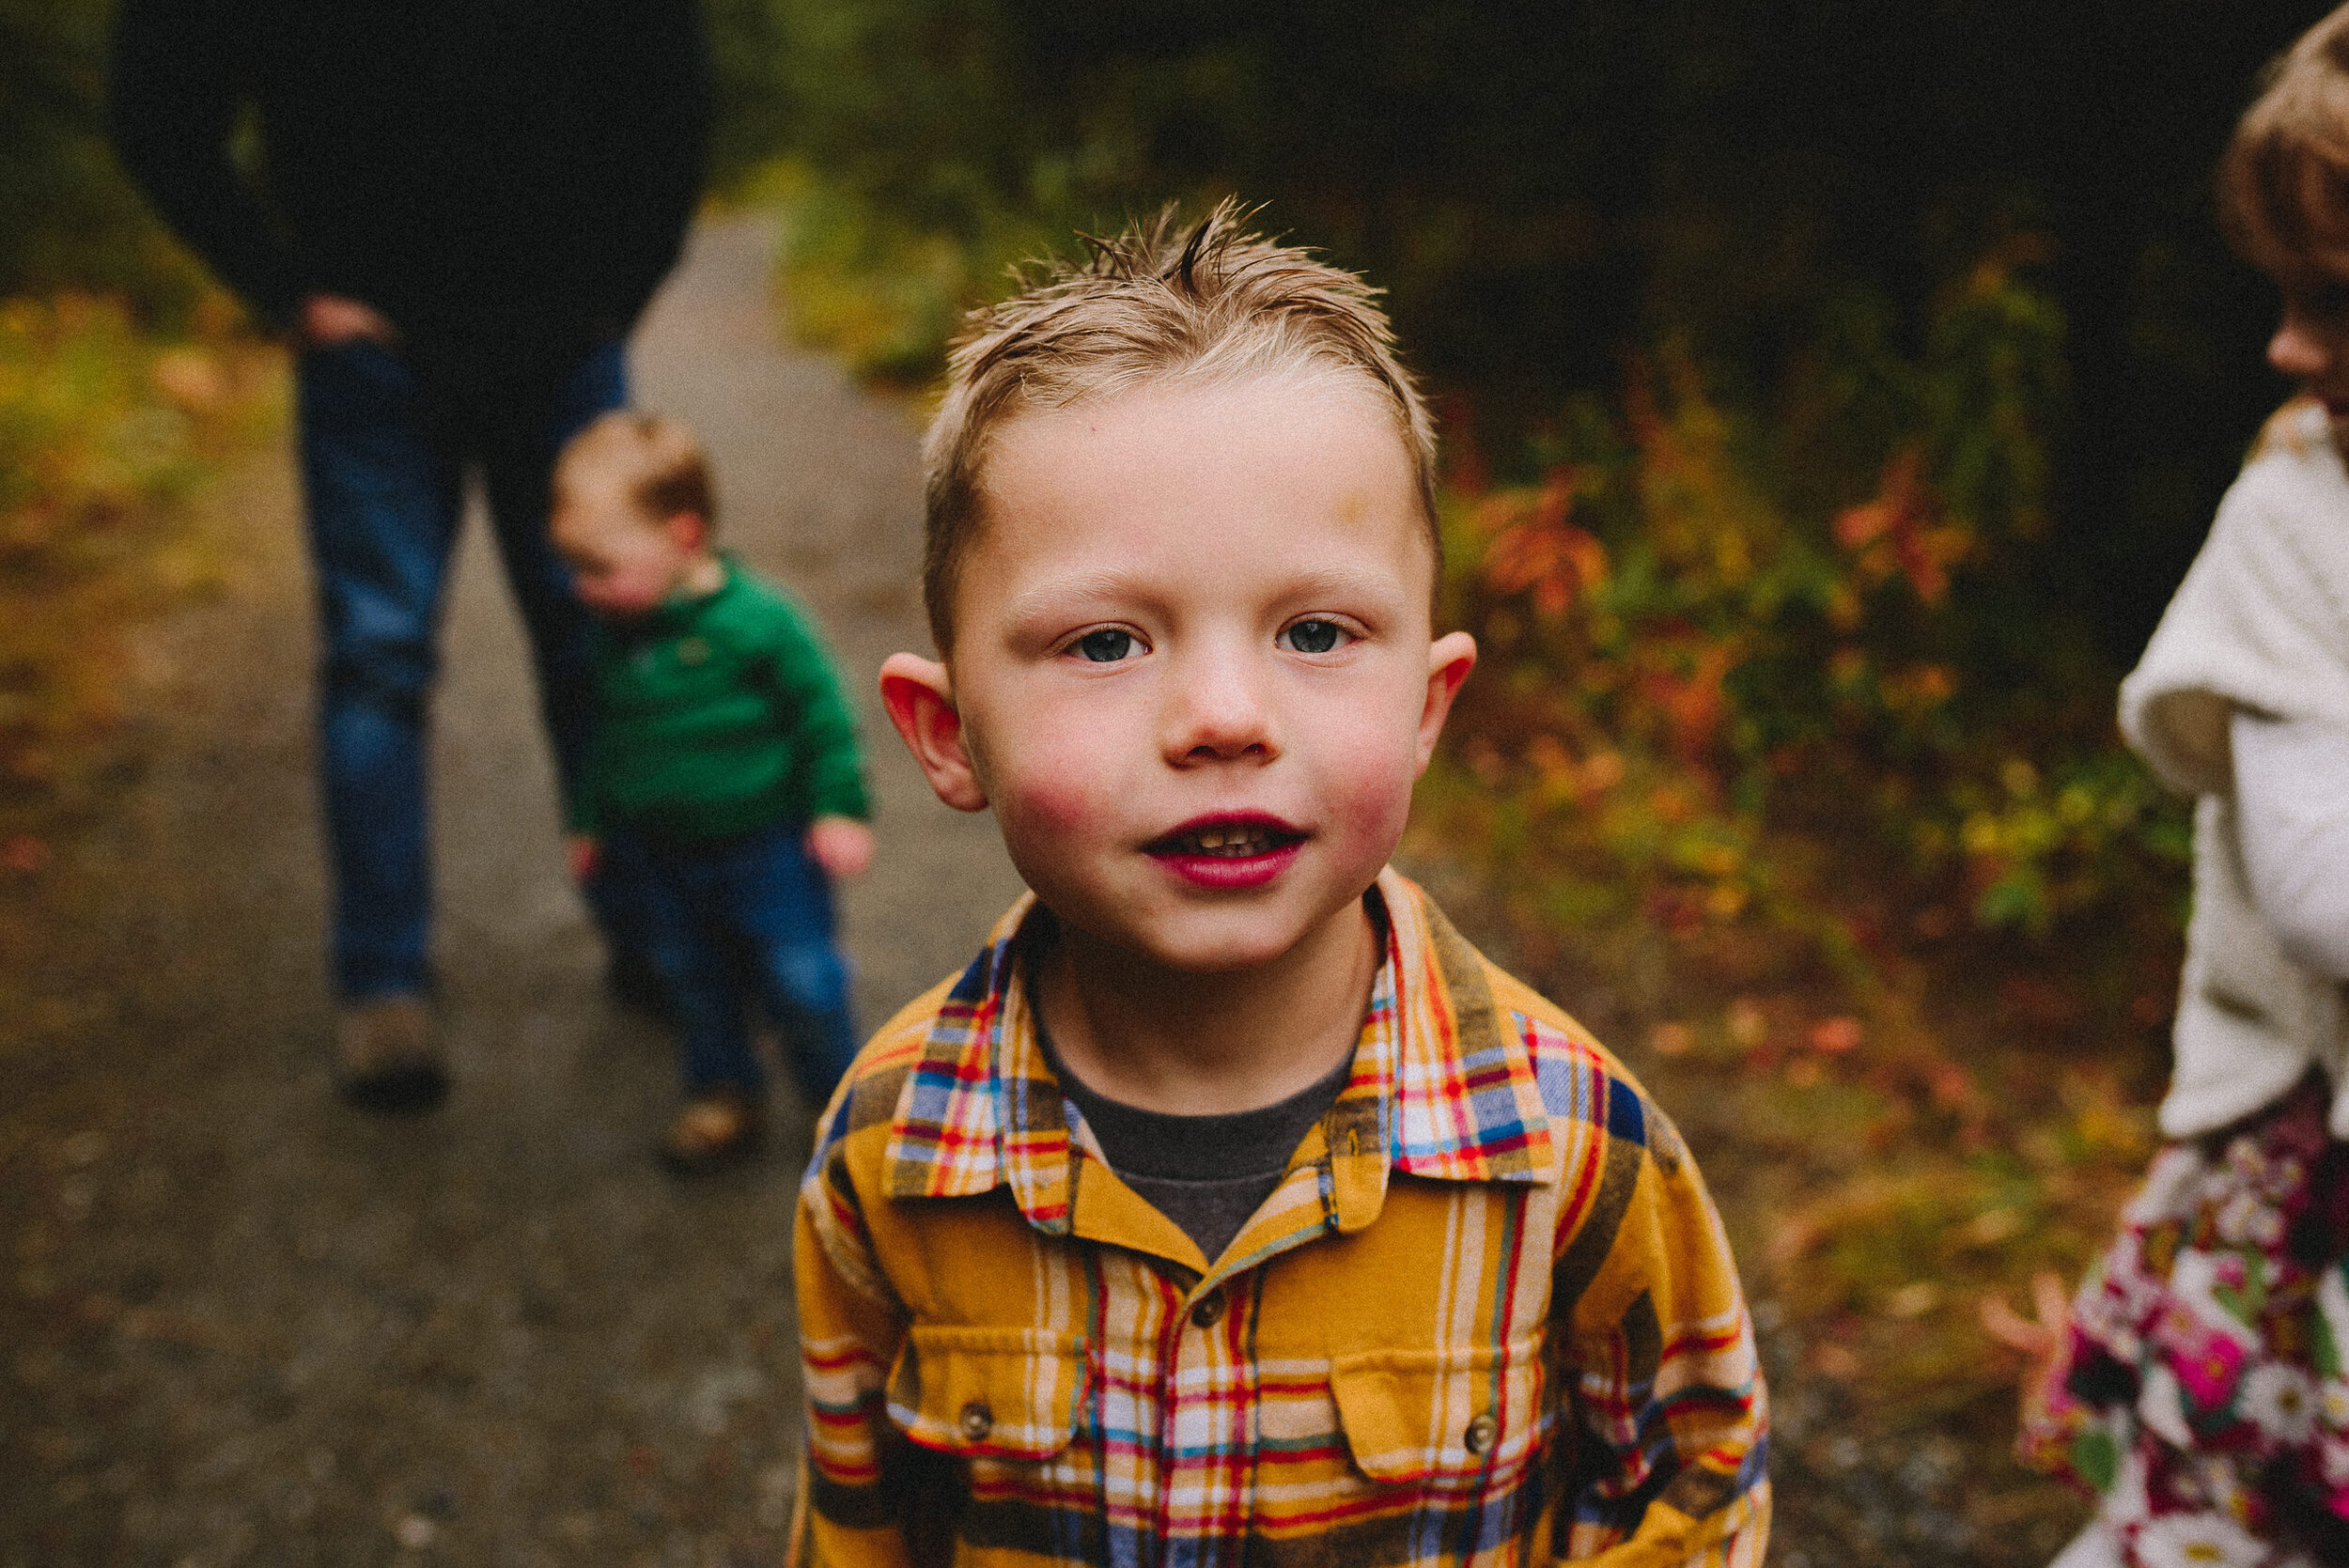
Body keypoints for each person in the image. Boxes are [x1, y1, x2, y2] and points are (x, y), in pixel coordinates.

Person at [787, 205, 1768, 1567]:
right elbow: (858, 1515)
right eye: (1107, 641)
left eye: (1316, 631)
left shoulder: (1570, 1143)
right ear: (952, 735)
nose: (1224, 717)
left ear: (1429, 709)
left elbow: (1696, 1477)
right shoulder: (893, 1151)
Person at [106, 0, 710, 1110]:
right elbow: (156, 104)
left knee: (607, 642)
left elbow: (667, 79)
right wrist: (284, 291)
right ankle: (381, 984)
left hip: (562, 347)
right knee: (378, 664)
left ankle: (653, 937)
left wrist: (614, 291)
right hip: (372, 364)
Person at [1984, 11, 2349, 1564]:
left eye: (2334, 298)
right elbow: (2324, 890)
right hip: (2307, 1180)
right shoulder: (2299, 521)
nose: (2282, 343)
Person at [552, 413, 875, 1173]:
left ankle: (841, 1108)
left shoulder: (757, 622)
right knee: (695, 981)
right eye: (573, 566)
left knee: (802, 981)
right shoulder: (615, 636)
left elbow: (822, 715)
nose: (581, 588)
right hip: (660, 857)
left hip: (768, 849)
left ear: (683, 536)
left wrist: (840, 806)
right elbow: (605, 738)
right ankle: (724, 1091)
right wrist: (589, 820)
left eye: (599, 567)